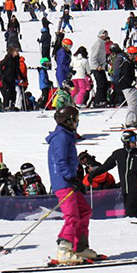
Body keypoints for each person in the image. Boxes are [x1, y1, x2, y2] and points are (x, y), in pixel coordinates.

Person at [47, 106, 102, 264]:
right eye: (76, 120)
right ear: (68, 121)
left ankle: (80, 247)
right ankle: (64, 249)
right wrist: (71, 179)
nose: (77, 123)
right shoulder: (61, 138)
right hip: (64, 183)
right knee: (72, 216)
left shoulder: (66, 136)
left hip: (69, 182)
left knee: (84, 211)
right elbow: (60, 162)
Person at [88, 131, 137, 217]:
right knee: (129, 212)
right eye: (132, 139)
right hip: (124, 189)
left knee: (131, 212)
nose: (135, 142)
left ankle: (133, 223)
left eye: (135, 139)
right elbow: (106, 166)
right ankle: (134, 224)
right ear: (125, 141)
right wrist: (93, 174)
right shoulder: (118, 154)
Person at [118, 46, 137, 127]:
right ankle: (129, 122)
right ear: (130, 54)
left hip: (131, 86)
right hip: (126, 87)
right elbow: (126, 77)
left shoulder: (130, 63)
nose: (136, 56)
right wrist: (134, 83)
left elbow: (131, 76)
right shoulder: (126, 64)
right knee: (132, 104)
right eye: (135, 54)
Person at [90, 30, 109, 107]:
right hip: (97, 68)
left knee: (104, 83)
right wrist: (96, 65)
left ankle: (103, 99)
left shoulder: (102, 43)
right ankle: (98, 101)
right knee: (101, 84)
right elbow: (93, 56)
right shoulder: (98, 43)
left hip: (101, 67)